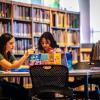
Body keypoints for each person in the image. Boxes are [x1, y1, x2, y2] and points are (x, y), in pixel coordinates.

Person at [0, 33, 34, 100]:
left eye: (13, 43)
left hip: (2, 81)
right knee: (20, 91)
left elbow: (18, 65)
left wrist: (31, 66)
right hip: (0, 83)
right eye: (11, 43)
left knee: (24, 90)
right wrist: (25, 56)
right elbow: (11, 66)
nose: (13, 45)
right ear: (4, 44)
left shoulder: (9, 54)